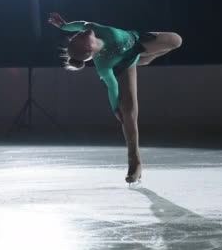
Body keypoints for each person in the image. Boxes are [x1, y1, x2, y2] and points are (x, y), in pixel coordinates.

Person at [47, 12, 182, 184]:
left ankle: (143, 58)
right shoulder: (103, 65)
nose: (79, 33)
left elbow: (80, 23)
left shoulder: (92, 28)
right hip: (125, 64)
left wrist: (64, 26)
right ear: (89, 50)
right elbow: (112, 86)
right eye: (79, 37)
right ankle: (135, 162)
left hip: (137, 41)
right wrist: (115, 108)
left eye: (75, 35)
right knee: (128, 111)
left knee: (177, 41)